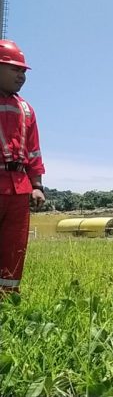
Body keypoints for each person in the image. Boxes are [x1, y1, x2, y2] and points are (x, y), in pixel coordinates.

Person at [0, 40, 45, 296]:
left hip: (19, 188)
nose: (21, 76)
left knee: (14, 246)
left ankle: (7, 300)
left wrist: (37, 185)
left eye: (23, 72)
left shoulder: (27, 110)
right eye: (15, 69)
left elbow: (34, 151)